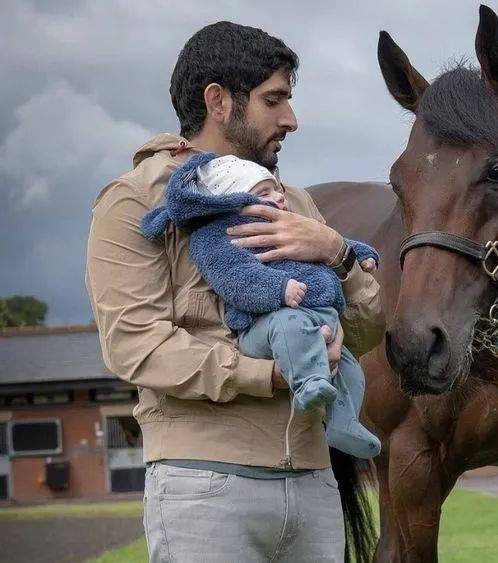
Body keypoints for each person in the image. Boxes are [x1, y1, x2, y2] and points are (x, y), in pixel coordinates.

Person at [85, 21, 383, 562]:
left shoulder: (297, 203)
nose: (291, 119)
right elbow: (137, 346)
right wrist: (273, 373)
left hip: (316, 484)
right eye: (275, 100)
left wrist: (336, 251)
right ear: (218, 102)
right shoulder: (135, 202)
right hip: (205, 488)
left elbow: (366, 329)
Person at [141, 153, 382, 459]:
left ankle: (345, 423)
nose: (278, 196)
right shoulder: (220, 236)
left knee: (350, 367)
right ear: (234, 201)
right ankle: (309, 385)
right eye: (264, 193)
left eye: (276, 189)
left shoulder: (292, 222)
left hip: (316, 317)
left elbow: (334, 243)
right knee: (289, 327)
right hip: (267, 322)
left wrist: (357, 253)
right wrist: (279, 290)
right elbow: (236, 279)